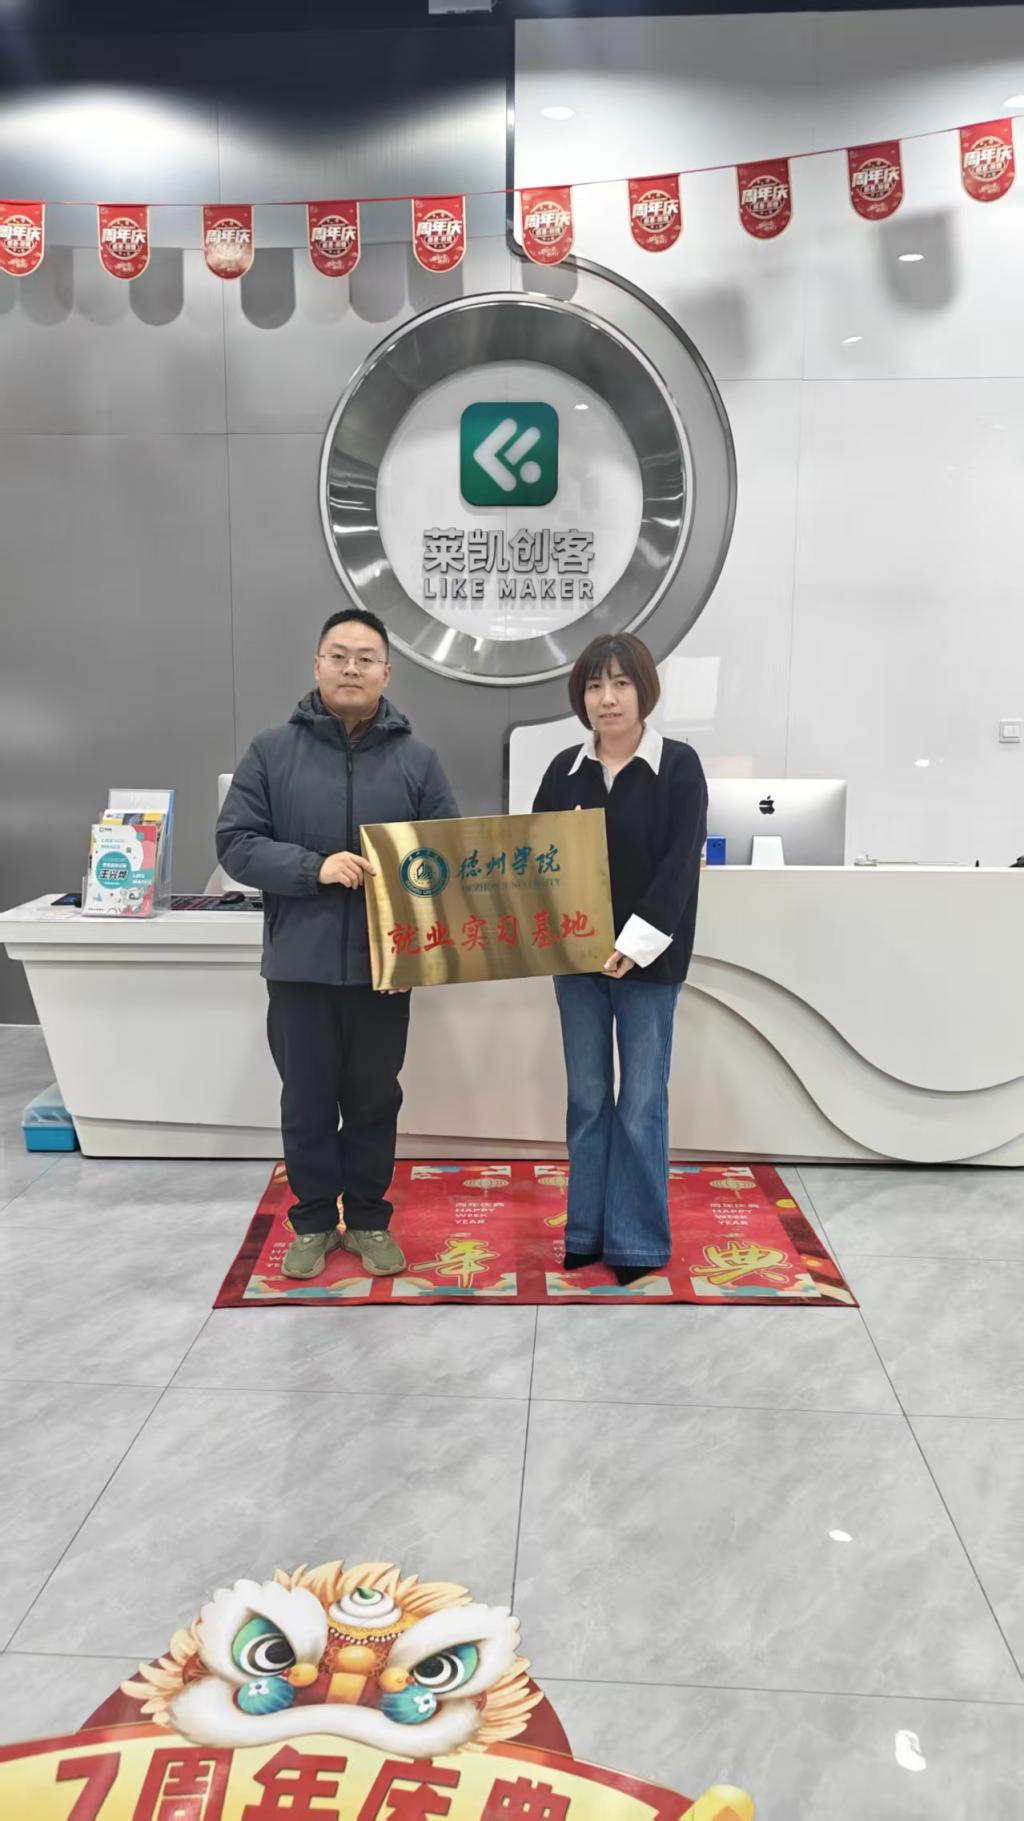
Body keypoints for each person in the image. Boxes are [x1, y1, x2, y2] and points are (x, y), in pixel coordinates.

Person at [216, 609, 458, 1280]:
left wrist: (417, 956)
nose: (352, 668)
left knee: (376, 1101)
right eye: (339, 655)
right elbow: (236, 842)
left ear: (387, 672)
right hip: (300, 966)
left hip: (385, 971)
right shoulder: (271, 751)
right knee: (307, 1103)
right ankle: (316, 1221)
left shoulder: (417, 760)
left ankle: (371, 1220)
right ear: (317, 665)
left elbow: (445, 861)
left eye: (366, 658)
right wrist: (313, 867)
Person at [532, 633, 707, 1285]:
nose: (607, 698)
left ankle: (635, 1240)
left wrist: (632, 945)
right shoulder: (564, 771)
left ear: (644, 691)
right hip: (576, 965)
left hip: (649, 967)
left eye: (621, 683)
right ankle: (585, 1231)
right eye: (594, 685)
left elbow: (678, 868)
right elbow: (536, 863)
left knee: (640, 1102)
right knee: (586, 1098)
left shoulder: (679, 766)